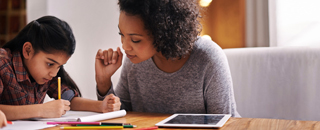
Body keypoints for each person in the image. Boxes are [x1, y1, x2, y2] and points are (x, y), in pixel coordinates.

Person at [95, 0, 240, 117]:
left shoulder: (208, 58)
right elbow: (123, 115)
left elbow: (225, 123)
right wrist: (103, 82)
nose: (125, 46)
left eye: (135, 40)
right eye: (122, 34)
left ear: (162, 33)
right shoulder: (134, 61)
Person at [0, 16, 121, 121]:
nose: (54, 73)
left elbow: (69, 100)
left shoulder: (48, 75)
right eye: (50, 64)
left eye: (60, 66)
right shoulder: (2, 62)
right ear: (28, 50)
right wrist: (41, 110)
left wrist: (101, 106)